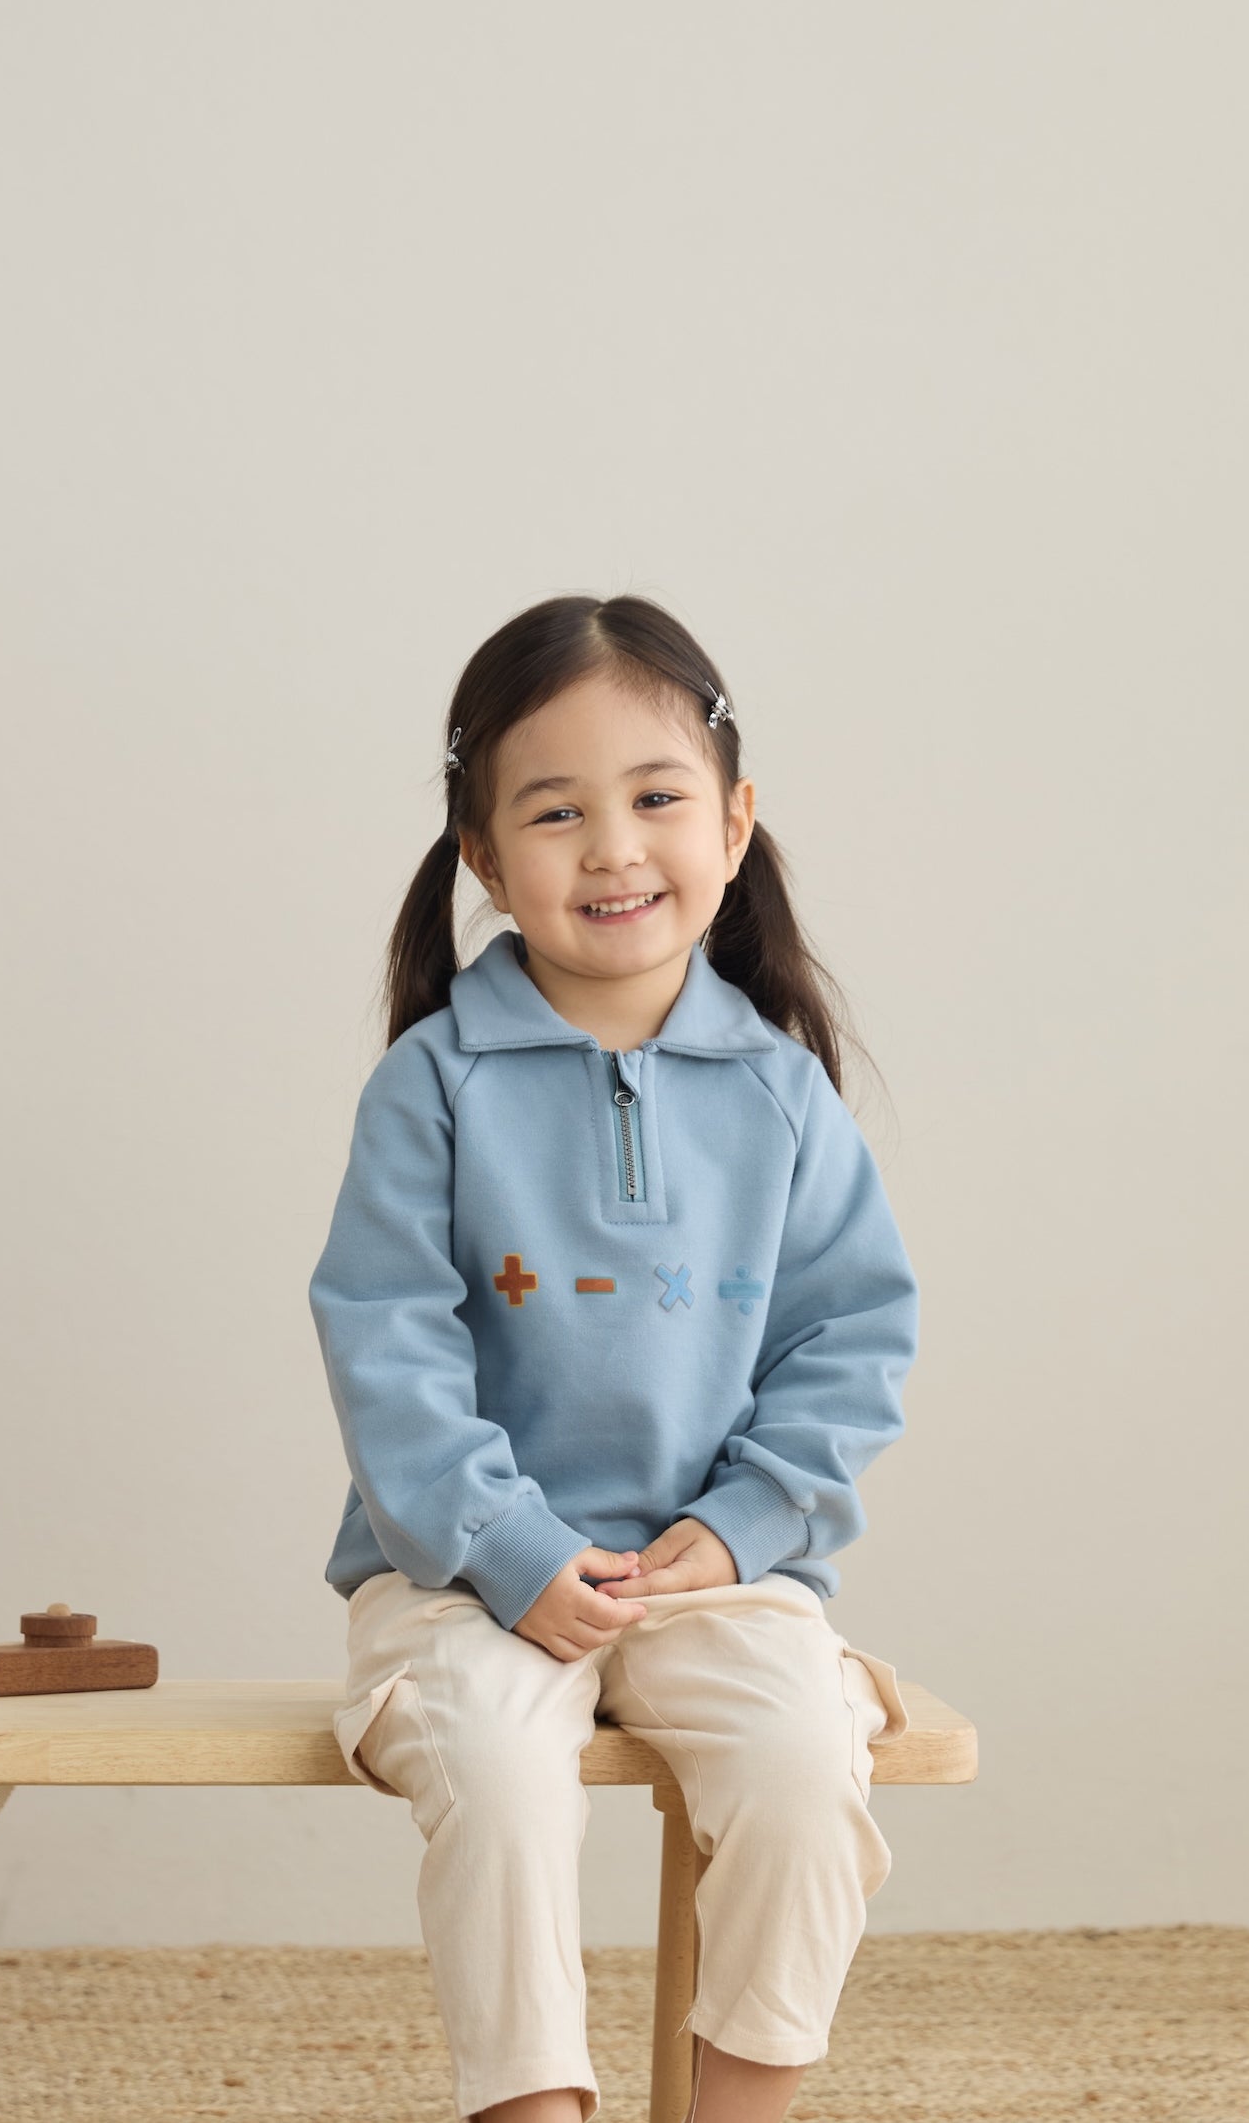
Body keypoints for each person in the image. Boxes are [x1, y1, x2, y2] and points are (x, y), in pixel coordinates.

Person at [310, 593, 919, 2123]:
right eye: (556, 811)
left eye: (656, 800)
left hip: (715, 1574)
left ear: (735, 819)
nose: (614, 848)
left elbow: (853, 1336)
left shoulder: (783, 1095)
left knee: (801, 1762)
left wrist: (743, 1530)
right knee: (503, 1785)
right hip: (461, 1581)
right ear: (481, 854)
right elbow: (386, 1338)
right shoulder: (434, 1084)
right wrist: (508, 1553)